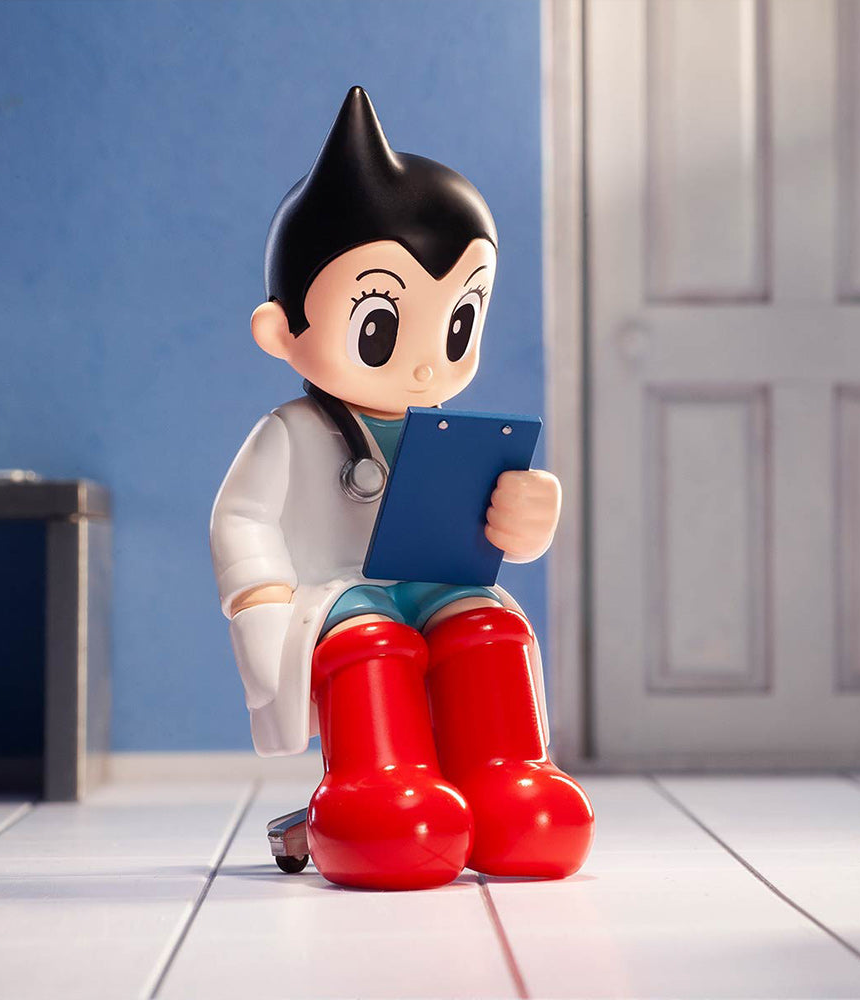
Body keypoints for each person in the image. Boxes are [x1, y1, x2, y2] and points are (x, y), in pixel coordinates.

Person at [210, 86, 593, 890]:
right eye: (380, 326)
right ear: (282, 329)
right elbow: (241, 518)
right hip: (341, 595)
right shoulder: (292, 433)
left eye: (458, 324)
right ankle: (379, 789)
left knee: (488, 626)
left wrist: (526, 516)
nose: (426, 362)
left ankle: (508, 781)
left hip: (436, 583)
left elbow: (488, 526)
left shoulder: (451, 435)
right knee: (371, 641)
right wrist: (260, 595)